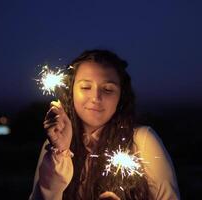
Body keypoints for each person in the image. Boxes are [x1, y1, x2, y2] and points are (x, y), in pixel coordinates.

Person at [29, 50, 180, 200]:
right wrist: (60, 152)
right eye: (86, 87)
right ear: (71, 92)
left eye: (108, 89)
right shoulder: (53, 149)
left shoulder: (143, 141)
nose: (96, 97)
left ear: (121, 96)